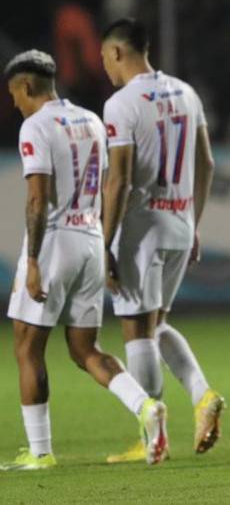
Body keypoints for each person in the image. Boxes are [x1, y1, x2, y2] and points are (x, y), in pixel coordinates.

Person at [2, 50, 168, 469]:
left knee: (27, 346)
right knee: (85, 348)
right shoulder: (91, 120)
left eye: (13, 95)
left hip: (55, 242)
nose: (13, 104)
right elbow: (113, 181)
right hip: (91, 240)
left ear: (25, 86)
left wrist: (34, 260)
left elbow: (38, 199)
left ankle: (40, 453)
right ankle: (146, 407)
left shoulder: (34, 127)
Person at [99, 19, 226, 462]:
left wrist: (104, 241)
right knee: (156, 326)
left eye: (104, 59)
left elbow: (119, 179)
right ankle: (202, 395)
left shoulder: (120, 104)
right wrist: (194, 222)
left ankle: (152, 436)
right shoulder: (185, 93)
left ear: (117, 53)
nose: (104, 68)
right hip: (179, 223)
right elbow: (206, 163)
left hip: (141, 230)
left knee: (137, 332)